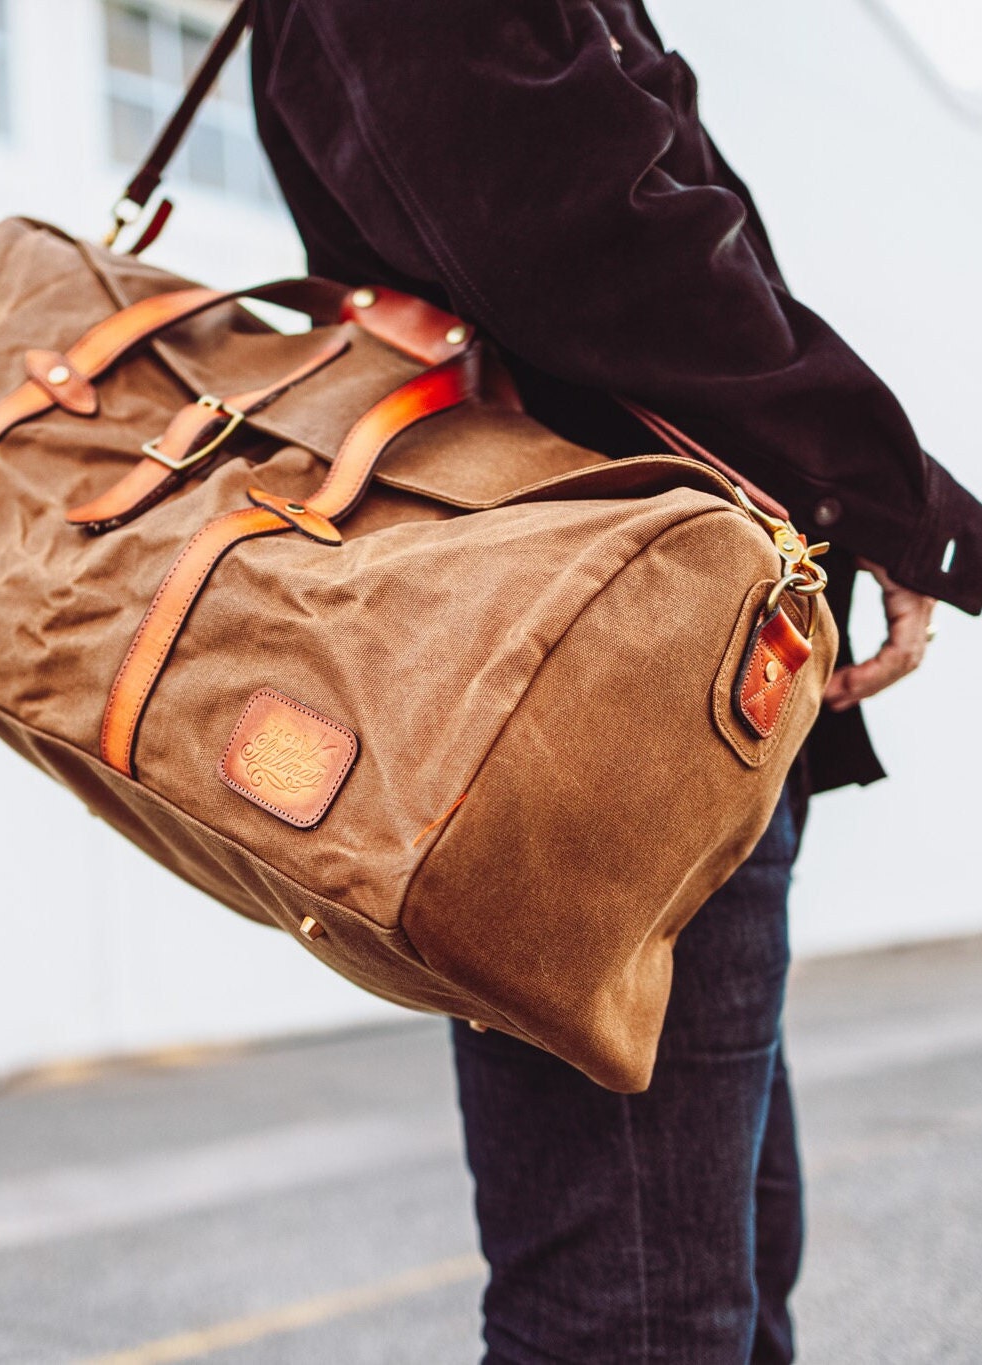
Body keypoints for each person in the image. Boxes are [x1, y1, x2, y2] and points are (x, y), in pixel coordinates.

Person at [248, 2, 982, 1360]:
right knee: (637, 1319)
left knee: (710, 1286)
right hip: (594, 712)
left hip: (644, 688)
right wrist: (896, 497)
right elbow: (604, 245)